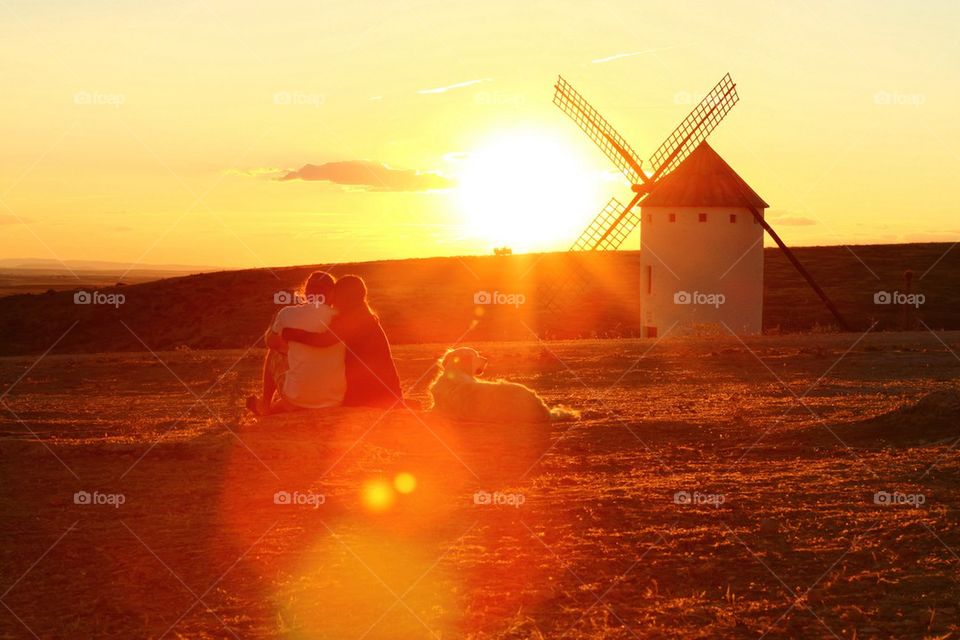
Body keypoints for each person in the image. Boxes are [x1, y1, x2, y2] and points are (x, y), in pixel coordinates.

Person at [282, 274, 402, 409]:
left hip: (371, 392)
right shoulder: (363, 315)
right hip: (383, 388)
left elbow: (323, 341)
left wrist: (292, 334)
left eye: (336, 293)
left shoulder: (354, 318)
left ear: (344, 296)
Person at [247, 271, 346, 415]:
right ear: (332, 293)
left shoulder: (287, 313)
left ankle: (266, 404)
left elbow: (271, 342)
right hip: (335, 399)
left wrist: (277, 327)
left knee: (274, 352)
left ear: (306, 292)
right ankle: (279, 405)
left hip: (297, 398)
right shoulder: (340, 315)